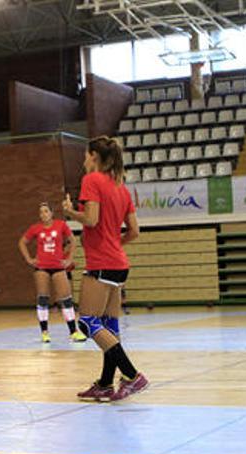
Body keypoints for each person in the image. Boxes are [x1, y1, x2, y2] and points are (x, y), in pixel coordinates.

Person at [62, 136, 148, 402]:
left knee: (87, 322)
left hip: (101, 264)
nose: (84, 160)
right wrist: (114, 243)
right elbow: (134, 231)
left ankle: (133, 376)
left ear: (94, 157)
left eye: (86, 155)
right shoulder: (122, 188)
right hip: (119, 264)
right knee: (109, 325)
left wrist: (70, 212)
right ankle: (105, 384)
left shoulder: (92, 181)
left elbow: (91, 218)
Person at [18, 202, 86, 343]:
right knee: (43, 298)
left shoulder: (61, 225)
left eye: (46, 211)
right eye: (41, 212)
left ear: (51, 213)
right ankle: (44, 332)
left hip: (58, 266)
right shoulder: (35, 228)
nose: (43, 214)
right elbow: (22, 242)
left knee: (66, 299)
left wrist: (69, 259)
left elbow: (73, 240)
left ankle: (73, 332)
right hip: (41, 267)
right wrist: (29, 259)